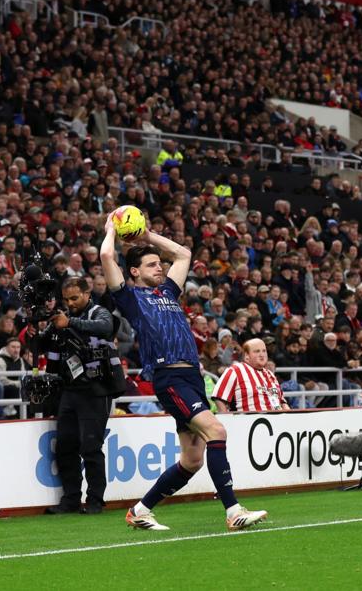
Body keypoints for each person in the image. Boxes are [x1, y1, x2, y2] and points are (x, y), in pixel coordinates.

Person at [101, 210, 267, 531]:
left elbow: (183, 254)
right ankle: (232, 510)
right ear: (134, 272)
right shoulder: (130, 298)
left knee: (192, 460)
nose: (160, 266)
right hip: (170, 377)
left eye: (159, 263)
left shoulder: (167, 291)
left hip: (191, 376)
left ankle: (140, 510)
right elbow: (107, 254)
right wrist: (111, 228)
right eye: (151, 264)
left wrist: (147, 236)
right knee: (216, 431)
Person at [42, 276, 124, 516]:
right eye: (67, 299)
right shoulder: (62, 316)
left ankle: (95, 500)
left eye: (75, 298)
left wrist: (69, 322)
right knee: (65, 446)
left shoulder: (100, 312)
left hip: (96, 389)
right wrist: (41, 327)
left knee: (91, 447)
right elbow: (43, 341)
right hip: (69, 389)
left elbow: (106, 328)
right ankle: (70, 500)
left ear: (88, 294)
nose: (71, 303)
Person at [212, 338, 288, 412]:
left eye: (264, 351)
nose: (262, 354)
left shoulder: (270, 374)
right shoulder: (236, 370)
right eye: (257, 351)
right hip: (248, 422)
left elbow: (283, 402)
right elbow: (219, 397)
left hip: (277, 421)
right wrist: (226, 419)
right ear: (246, 356)